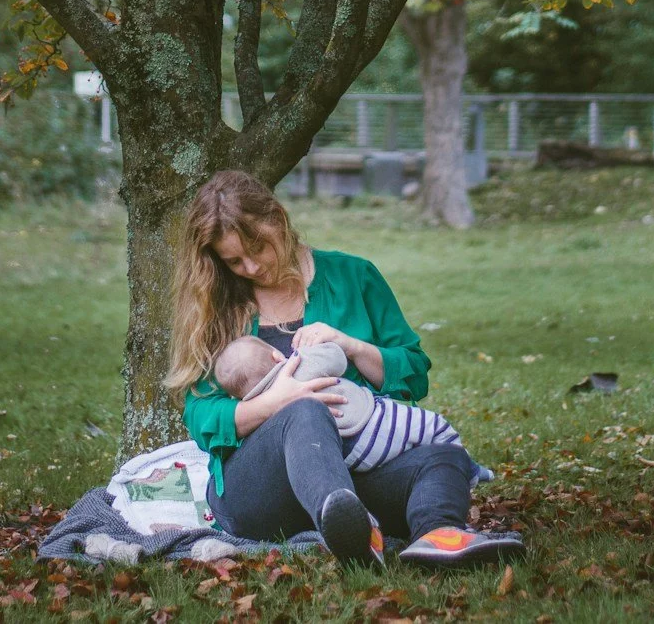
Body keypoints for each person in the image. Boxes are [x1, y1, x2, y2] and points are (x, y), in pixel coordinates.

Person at [169, 169, 522, 570]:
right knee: (303, 410)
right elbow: (199, 414)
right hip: (262, 491)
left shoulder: (355, 276)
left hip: (360, 476)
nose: (250, 267)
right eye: (234, 260)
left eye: (258, 248)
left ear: (278, 219)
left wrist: (351, 346)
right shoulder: (220, 305)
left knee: (443, 456)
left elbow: (413, 373)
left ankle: (436, 535)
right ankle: (346, 527)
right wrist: (276, 404)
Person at [212, 335, 464, 471]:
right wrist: (319, 346)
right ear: (276, 355)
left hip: (348, 459)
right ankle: (466, 467)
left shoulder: (257, 410)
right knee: (434, 427)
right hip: (372, 424)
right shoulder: (298, 364)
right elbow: (336, 359)